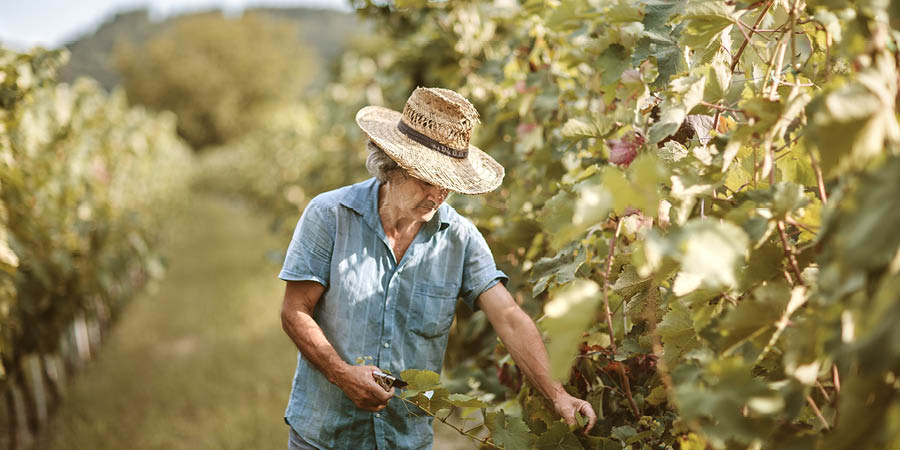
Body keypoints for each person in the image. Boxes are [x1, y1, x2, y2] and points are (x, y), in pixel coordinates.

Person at [279, 87, 597, 450]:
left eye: (447, 185)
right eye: (427, 180)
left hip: (406, 439)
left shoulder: (460, 238)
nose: (437, 195)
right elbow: (294, 312)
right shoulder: (329, 215)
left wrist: (558, 395)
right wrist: (341, 373)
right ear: (390, 166)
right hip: (325, 435)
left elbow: (508, 316)